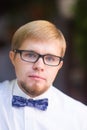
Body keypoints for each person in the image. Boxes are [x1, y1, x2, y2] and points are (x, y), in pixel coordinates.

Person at [0, 20, 87, 130]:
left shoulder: (80, 118)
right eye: (30, 55)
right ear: (13, 58)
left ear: (59, 66)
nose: (39, 66)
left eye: (50, 58)